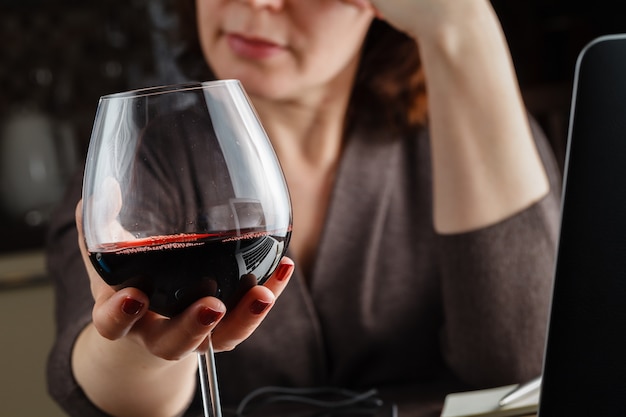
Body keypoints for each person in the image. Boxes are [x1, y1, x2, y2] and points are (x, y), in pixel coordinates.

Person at [46, 0, 563, 416]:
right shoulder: (131, 163)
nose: (258, 2)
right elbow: (105, 394)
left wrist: (464, 24)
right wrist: (142, 351)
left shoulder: (472, 134)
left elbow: (525, 366)